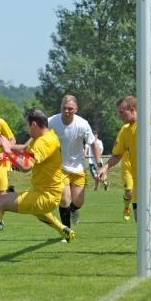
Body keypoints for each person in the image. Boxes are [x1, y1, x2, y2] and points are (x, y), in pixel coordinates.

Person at [0, 108, 76, 257]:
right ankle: (64, 231)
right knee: (38, 212)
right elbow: (25, 148)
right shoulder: (47, 135)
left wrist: (7, 150)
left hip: (46, 196)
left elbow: (25, 166)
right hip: (44, 192)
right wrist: (5, 143)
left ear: (34, 124)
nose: (26, 128)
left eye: (27, 125)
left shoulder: (44, 142)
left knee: (0, 201)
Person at [98, 95, 151, 255]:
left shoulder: (150, 122)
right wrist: (105, 167)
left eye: (122, 113)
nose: (120, 116)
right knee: (141, 219)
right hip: (138, 178)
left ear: (132, 110)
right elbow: (117, 154)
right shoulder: (124, 131)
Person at [48, 94, 101, 229]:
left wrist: (99, 165)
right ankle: (66, 232)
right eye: (64, 108)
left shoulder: (82, 124)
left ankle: (74, 210)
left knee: (78, 202)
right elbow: (39, 137)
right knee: (64, 199)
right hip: (59, 167)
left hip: (78, 167)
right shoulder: (51, 122)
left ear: (76, 109)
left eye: (70, 109)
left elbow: (93, 144)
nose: (66, 111)